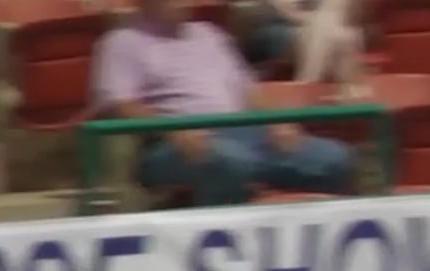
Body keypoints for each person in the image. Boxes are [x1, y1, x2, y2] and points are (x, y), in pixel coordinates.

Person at [90, 0, 355, 206]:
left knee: (333, 160)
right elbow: (119, 104)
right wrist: (172, 130)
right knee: (228, 162)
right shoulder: (121, 42)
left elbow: (248, 90)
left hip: (246, 133)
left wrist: (277, 121)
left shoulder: (209, 34)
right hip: (174, 143)